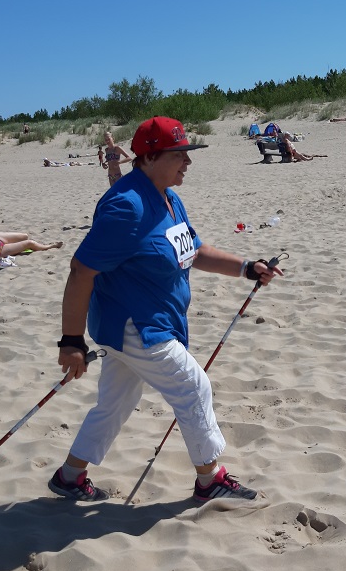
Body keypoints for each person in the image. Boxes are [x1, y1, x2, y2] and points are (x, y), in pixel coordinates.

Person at [49, 116, 284, 503]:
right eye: (179, 154)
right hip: (135, 325)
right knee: (194, 387)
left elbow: (195, 251)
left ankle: (70, 476)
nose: (188, 162)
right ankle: (210, 480)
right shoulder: (126, 206)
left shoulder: (169, 198)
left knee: (115, 403)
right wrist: (71, 341)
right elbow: (81, 270)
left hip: (156, 320)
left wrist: (246, 267)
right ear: (149, 157)